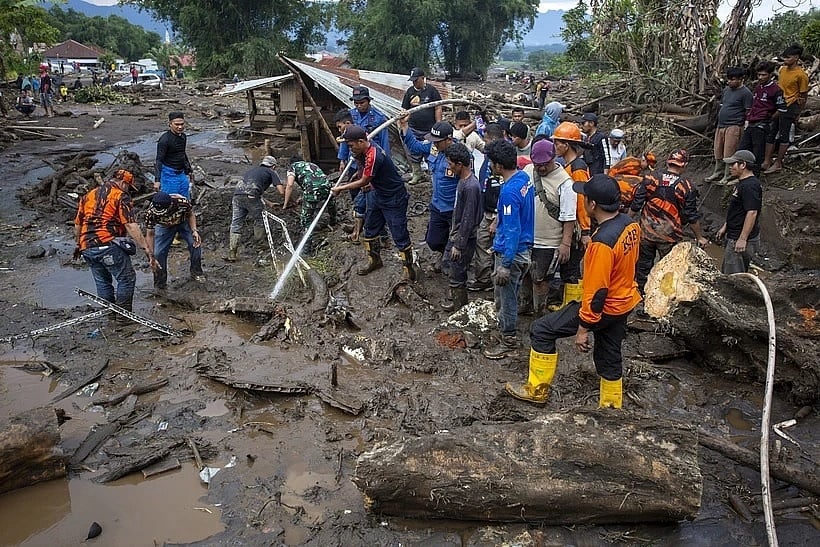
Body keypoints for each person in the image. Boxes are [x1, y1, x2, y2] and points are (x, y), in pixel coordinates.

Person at [505, 174, 641, 408]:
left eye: (585, 198)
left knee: (542, 330)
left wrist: (583, 328)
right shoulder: (630, 225)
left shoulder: (602, 244)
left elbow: (597, 292)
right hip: (624, 301)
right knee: (609, 354)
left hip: (604, 306)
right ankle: (611, 405)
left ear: (592, 204)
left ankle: (536, 389)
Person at [331, 125, 416, 281]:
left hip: (393, 197)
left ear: (361, 141)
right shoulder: (361, 150)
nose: (350, 149)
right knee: (370, 229)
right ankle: (374, 260)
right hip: (378, 192)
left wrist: (341, 188)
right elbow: (362, 171)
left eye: (351, 145)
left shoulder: (374, 155)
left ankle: (408, 269)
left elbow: (364, 181)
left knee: (399, 233)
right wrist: (359, 171)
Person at [74, 169, 157, 312]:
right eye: (129, 188)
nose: (129, 191)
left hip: (87, 246)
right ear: (124, 183)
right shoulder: (120, 196)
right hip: (107, 243)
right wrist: (146, 248)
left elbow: (78, 224)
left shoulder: (89, 195)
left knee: (102, 282)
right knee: (126, 279)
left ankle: (109, 313)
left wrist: (78, 245)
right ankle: (124, 317)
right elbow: (130, 225)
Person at [482, 140, 535, 360]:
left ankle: (509, 339)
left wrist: (504, 264)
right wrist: (498, 221)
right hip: (523, 247)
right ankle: (504, 327)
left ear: (498, 166)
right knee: (509, 294)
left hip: (512, 252)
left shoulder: (509, 192)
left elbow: (513, 230)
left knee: (507, 297)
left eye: (492, 163)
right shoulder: (523, 178)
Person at [630, 149, 708, 293]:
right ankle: (662, 298)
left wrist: (627, 222)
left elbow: (636, 204)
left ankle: (642, 295)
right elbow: (691, 215)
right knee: (667, 268)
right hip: (669, 236)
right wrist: (699, 237)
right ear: (684, 165)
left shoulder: (651, 178)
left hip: (646, 233)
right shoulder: (686, 186)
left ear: (668, 161)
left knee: (643, 266)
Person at [520, 139, 577, 317]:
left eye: (544, 165)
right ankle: (525, 304)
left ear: (553, 158)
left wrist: (565, 244)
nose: (541, 168)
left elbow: (569, 216)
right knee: (525, 274)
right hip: (527, 236)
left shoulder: (565, 183)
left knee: (540, 278)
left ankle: (540, 311)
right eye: (538, 164)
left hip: (548, 241)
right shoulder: (528, 171)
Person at [399, 117, 459, 273]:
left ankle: (453, 273)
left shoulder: (460, 155)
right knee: (432, 241)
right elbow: (415, 146)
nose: (435, 144)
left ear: (449, 140)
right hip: (437, 205)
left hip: (454, 208)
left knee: (456, 244)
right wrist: (405, 125)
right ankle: (443, 253)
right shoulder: (432, 148)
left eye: (438, 141)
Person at [552, 121, 591, 308]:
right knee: (568, 266)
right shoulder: (568, 165)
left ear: (566, 145)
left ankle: (572, 307)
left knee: (572, 267)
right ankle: (570, 303)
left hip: (577, 226)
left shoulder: (578, 167)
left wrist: (585, 231)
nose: (554, 147)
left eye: (557, 143)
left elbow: (583, 200)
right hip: (572, 223)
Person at [441, 143, 482, 313]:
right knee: (450, 267)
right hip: (458, 234)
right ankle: (458, 302)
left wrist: (459, 244)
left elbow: (468, 218)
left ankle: (460, 309)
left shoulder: (471, 186)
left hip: (464, 237)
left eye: (450, 163)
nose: (448, 167)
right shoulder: (464, 182)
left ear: (459, 164)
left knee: (458, 272)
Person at [468, 123, 505, 292]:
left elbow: (505, 192)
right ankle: (483, 278)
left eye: (487, 139)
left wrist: (497, 217)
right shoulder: (487, 158)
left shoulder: (504, 161)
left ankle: (499, 282)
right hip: (486, 210)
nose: (484, 142)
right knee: (481, 242)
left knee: (499, 247)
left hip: (499, 213)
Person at [764, 44, 809, 174]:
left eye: (788, 57)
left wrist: (798, 112)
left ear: (796, 58)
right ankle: (766, 161)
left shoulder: (801, 75)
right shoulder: (782, 70)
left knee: (784, 134)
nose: (785, 60)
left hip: (790, 106)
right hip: (779, 104)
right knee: (772, 132)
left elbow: (803, 95)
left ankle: (778, 162)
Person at [226, 156, 281, 262]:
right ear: (273, 166)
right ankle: (260, 249)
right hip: (251, 196)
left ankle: (232, 253)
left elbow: (250, 190)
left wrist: (269, 203)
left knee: (236, 223)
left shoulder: (252, 171)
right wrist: (290, 201)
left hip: (237, 196)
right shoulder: (271, 172)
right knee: (260, 220)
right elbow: (281, 191)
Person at [144, 191, 204, 289]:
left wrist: (194, 230)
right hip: (164, 227)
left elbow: (190, 215)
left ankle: (197, 272)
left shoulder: (182, 202)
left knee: (195, 243)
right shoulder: (150, 213)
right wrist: (151, 255)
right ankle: (160, 283)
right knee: (158, 253)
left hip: (182, 222)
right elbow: (150, 234)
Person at [716, 150, 762, 274]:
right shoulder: (742, 183)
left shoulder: (750, 186)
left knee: (734, 277)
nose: (730, 167)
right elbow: (737, 210)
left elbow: (752, 212)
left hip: (739, 238)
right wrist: (725, 226)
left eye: (733, 164)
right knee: (730, 271)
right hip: (734, 234)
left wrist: (742, 239)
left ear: (743, 165)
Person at [737, 61, 785, 177]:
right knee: (743, 149)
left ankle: (754, 176)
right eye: (759, 75)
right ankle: (742, 174)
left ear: (770, 75)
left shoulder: (776, 90)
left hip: (762, 125)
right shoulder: (758, 88)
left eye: (763, 75)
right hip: (752, 122)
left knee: (757, 152)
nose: (760, 77)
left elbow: (781, 109)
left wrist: (768, 119)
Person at [705, 67, 753, 183]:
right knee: (718, 149)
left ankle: (728, 174)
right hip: (721, 125)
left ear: (741, 79)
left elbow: (748, 111)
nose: (730, 81)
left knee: (729, 151)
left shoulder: (746, 93)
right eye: (729, 79)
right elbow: (723, 104)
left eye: (733, 79)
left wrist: (745, 124)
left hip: (734, 125)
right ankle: (718, 171)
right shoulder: (726, 90)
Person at [284, 156, 337, 251]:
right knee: (330, 202)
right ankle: (334, 221)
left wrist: (285, 203)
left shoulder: (292, 167)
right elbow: (315, 180)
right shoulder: (311, 164)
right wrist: (302, 197)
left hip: (311, 191)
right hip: (326, 186)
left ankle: (306, 248)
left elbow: (290, 184)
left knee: (306, 220)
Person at [401, 67, 442, 184]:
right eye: (413, 80)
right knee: (413, 151)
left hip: (429, 129)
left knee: (430, 151)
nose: (414, 82)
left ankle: (433, 174)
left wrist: (438, 124)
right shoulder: (409, 92)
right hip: (414, 128)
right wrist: (404, 121)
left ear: (423, 78)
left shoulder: (432, 90)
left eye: (416, 80)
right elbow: (405, 109)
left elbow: (438, 107)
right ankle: (417, 173)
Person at [155, 111, 193, 198]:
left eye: (182, 124)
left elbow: (182, 153)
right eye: (177, 124)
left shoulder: (183, 137)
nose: (180, 127)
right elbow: (159, 159)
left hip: (181, 173)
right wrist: (157, 180)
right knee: (171, 200)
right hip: (169, 174)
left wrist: (189, 170)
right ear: (170, 124)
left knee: (185, 199)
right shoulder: (164, 140)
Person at [350, 85, 389, 155]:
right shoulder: (350, 115)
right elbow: (345, 138)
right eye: (356, 103)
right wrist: (342, 159)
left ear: (368, 101)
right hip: (354, 157)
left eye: (362, 103)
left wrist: (386, 159)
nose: (359, 106)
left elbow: (384, 141)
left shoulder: (379, 117)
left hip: (372, 155)